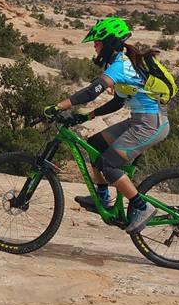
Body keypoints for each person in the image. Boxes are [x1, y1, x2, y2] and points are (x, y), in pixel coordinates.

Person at [42, 17, 169, 235]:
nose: (95, 47)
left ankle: (143, 207)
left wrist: (58, 106)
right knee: (95, 144)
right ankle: (101, 197)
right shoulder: (123, 61)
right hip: (140, 121)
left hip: (151, 124)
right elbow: (118, 101)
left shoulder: (121, 65)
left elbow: (93, 91)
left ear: (109, 43)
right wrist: (87, 115)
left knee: (108, 165)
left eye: (97, 42)